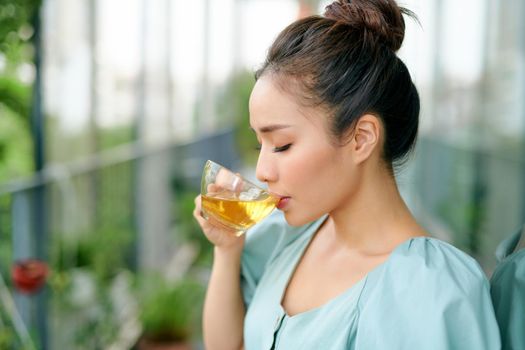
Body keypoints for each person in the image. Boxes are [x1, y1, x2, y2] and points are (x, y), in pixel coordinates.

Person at [194, 0, 501, 349]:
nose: (262, 171)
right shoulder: (286, 240)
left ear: (361, 138)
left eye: (281, 144)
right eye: (259, 144)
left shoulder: (434, 292)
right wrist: (228, 250)